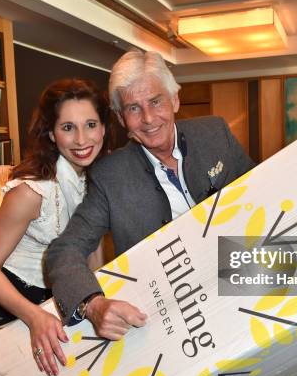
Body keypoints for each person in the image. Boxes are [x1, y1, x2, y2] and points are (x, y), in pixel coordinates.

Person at [45, 50, 254, 340]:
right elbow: (62, 252)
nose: (148, 118)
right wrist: (93, 304)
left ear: (175, 99)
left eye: (156, 101)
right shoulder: (109, 176)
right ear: (120, 117)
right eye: (133, 108)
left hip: (244, 277)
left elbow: (259, 192)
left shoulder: (215, 132)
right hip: (176, 318)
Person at [0, 79, 108, 376]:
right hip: (13, 299)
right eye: (67, 127)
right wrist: (34, 317)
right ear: (51, 133)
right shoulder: (31, 192)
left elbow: (92, 248)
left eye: (90, 124)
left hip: (61, 293)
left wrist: (98, 296)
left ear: (104, 127)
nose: (82, 139)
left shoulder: (95, 179)